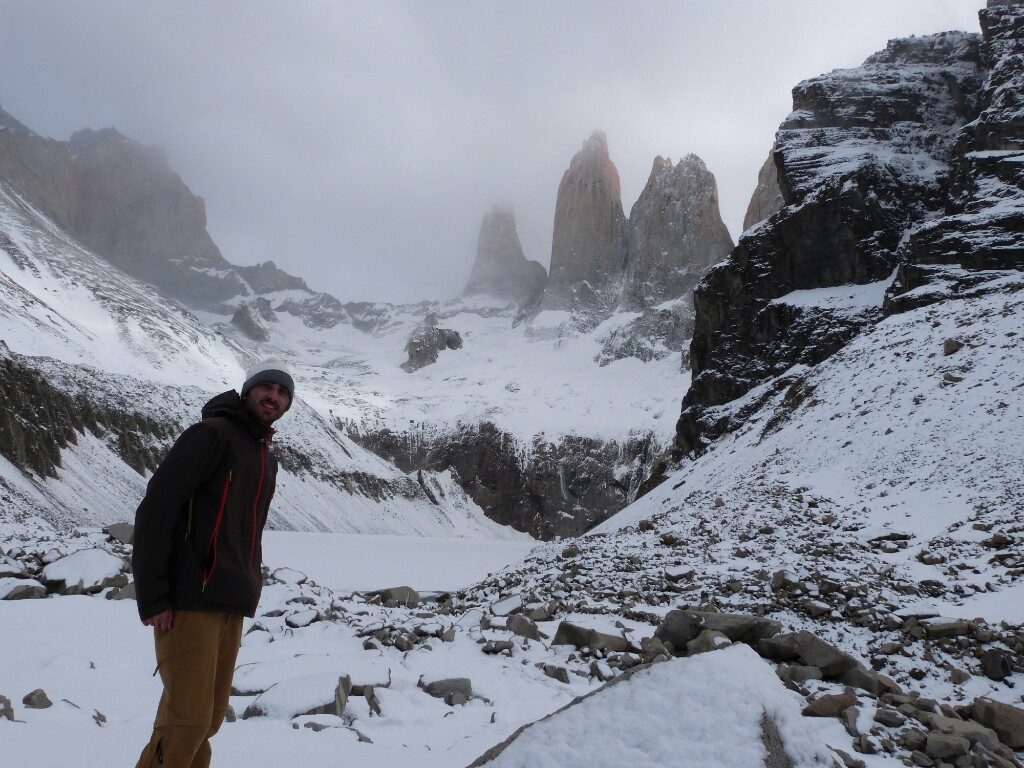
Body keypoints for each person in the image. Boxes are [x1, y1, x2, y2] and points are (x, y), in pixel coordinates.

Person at [132, 358, 294, 768]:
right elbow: (156, 510)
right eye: (266, 387)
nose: (273, 396)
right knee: (186, 718)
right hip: (190, 599)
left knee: (209, 718)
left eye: (282, 392)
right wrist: (154, 596)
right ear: (248, 390)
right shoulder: (212, 436)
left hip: (229, 600)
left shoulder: (263, 456)